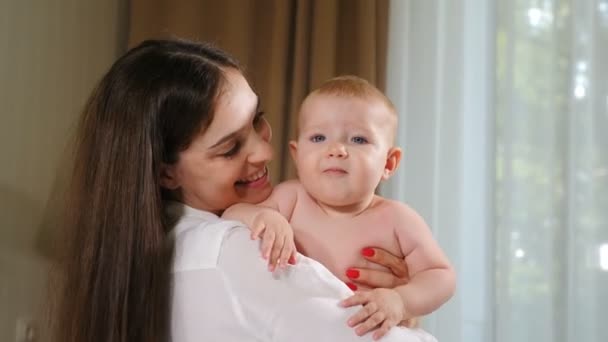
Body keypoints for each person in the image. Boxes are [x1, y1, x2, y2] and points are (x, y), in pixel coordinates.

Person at [51, 38, 433, 342]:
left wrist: (396, 302)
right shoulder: (239, 253)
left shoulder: (150, 248)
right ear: (167, 173)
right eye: (230, 147)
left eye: (258, 120)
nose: (266, 150)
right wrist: (401, 316)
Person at [223, 75, 456, 340]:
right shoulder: (290, 199)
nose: (336, 149)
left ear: (389, 163)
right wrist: (260, 216)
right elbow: (229, 216)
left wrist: (401, 300)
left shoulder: (398, 219)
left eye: (358, 140)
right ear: (297, 155)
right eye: (319, 137)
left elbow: (441, 276)